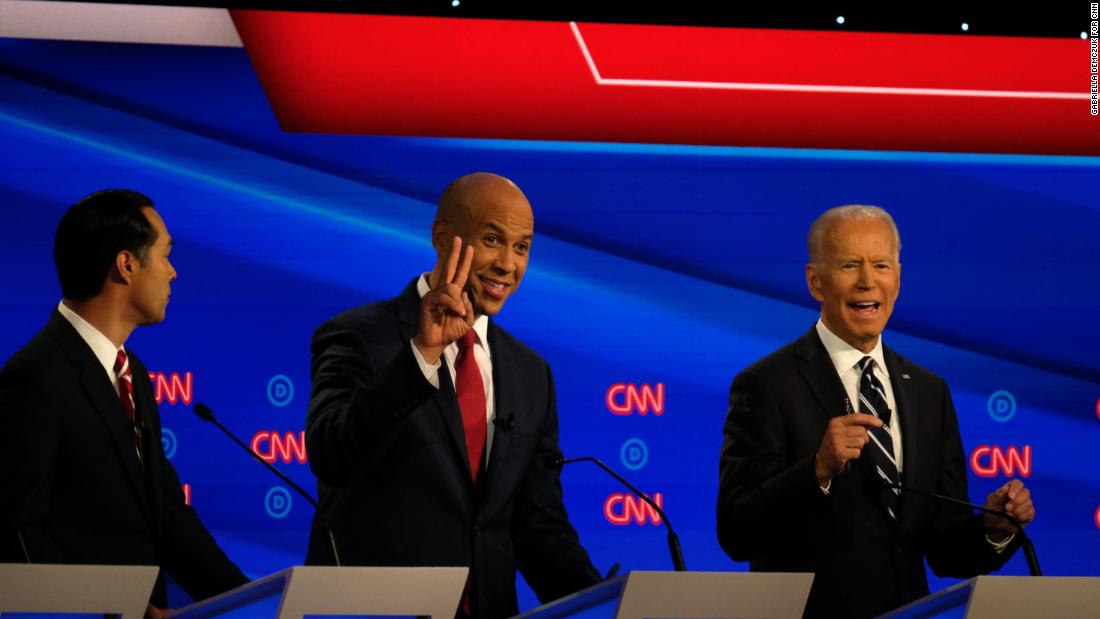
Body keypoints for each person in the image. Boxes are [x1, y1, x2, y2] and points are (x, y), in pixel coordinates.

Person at [304, 172, 601, 619]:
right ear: (442, 238)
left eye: (522, 247)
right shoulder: (358, 336)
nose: (508, 263)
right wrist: (422, 353)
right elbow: (331, 455)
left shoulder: (530, 374)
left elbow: (539, 528)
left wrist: (605, 602)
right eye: (492, 239)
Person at [716, 205, 1035, 618]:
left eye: (881, 265)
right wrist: (817, 470)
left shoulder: (928, 392)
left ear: (897, 281)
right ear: (816, 281)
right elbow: (737, 532)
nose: (868, 282)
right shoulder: (768, 385)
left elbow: (946, 552)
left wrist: (994, 529)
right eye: (850, 265)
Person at [0, 190, 248, 616]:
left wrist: (245, 598)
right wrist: (107, 608)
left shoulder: (131, 371)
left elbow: (165, 511)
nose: (173, 273)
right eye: (165, 255)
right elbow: (16, 530)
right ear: (126, 264)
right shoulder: (35, 377)